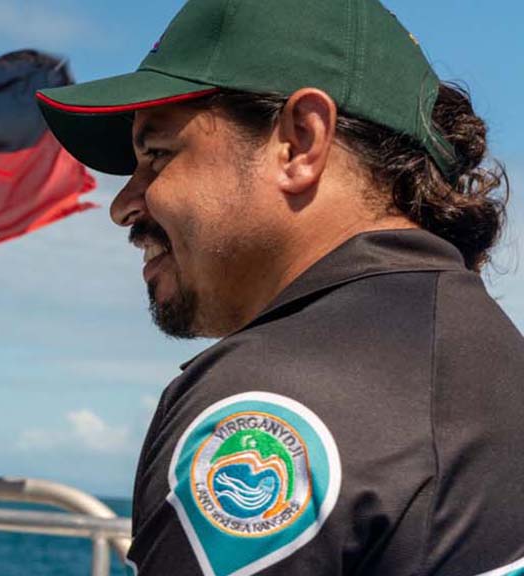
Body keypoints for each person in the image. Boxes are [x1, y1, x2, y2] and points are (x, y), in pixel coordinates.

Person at [37, 0, 522, 574]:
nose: (123, 205)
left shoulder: (267, 403)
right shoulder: (496, 360)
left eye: (157, 154)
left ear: (300, 141)